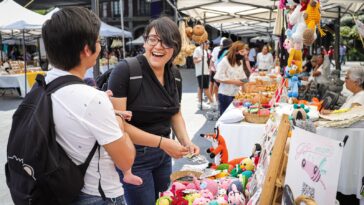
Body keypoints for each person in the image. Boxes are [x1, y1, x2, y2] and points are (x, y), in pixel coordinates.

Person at [42, 7, 135, 204]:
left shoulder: (44, 84)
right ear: (87, 49)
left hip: (57, 189)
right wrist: (116, 116)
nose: (100, 46)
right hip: (97, 195)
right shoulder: (92, 99)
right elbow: (126, 160)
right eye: (98, 41)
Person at [107, 16, 199, 204]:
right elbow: (118, 125)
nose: (158, 47)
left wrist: (186, 141)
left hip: (163, 157)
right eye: (153, 39)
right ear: (145, 40)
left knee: (165, 200)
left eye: (166, 42)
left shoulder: (174, 74)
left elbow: (175, 112)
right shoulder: (125, 71)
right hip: (133, 158)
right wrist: (163, 143)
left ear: (175, 47)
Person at [214, 41, 248, 115]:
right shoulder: (225, 61)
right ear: (235, 51)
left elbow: (243, 77)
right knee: (225, 117)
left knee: (234, 116)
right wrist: (235, 82)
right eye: (242, 52)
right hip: (225, 95)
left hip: (236, 95)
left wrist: (246, 94)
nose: (244, 54)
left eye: (244, 52)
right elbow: (218, 78)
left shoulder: (240, 62)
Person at [194, 41, 215, 109]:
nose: (208, 45)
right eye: (207, 43)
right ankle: (212, 103)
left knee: (201, 87)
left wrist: (210, 69)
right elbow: (194, 61)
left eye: (208, 44)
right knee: (206, 88)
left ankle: (200, 103)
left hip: (206, 72)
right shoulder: (198, 49)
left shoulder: (207, 51)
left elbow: (209, 61)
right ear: (202, 43)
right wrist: (201, 58)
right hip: (201, 72)